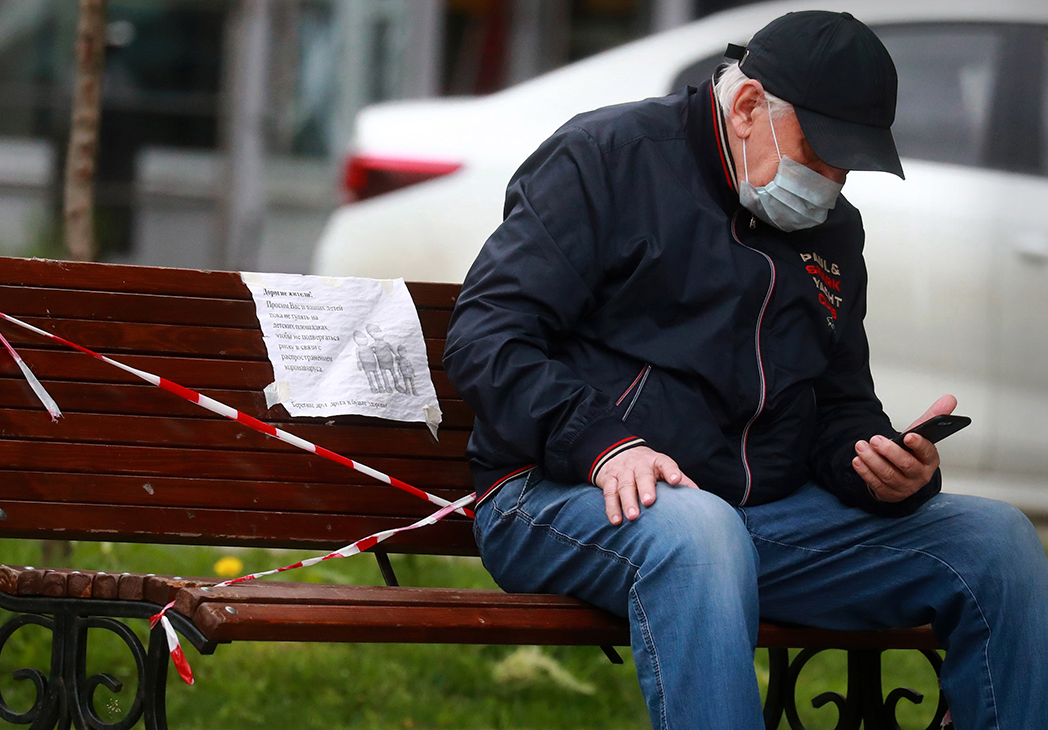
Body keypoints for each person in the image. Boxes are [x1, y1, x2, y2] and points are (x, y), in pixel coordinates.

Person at [443, 10, 1048, 729]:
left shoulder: (832, 228)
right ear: (749, 106)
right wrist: (604, 445)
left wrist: (882, 467)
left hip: (750, 518)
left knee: (999, 542)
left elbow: (837, 400)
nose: (830, 179)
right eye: (820, 150)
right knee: (699, 532)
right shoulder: (606, 155)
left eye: (849, 162)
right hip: (557, 493)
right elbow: (487, 335)